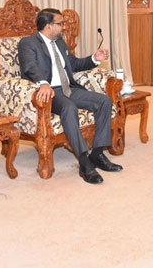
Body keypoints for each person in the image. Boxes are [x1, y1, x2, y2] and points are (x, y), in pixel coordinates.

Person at [18, 9, 123, 184]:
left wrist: (94, 59)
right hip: (51, 92)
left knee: (104, 101)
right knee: (68, 107)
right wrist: (43, 83)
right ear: (48, 26)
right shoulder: (28, 43)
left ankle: (97, 154)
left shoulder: (59, 43)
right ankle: (84, 163)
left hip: (70, 89)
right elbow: (29, 67)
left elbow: (73, 64)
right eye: (60, 23)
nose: (63, 27)